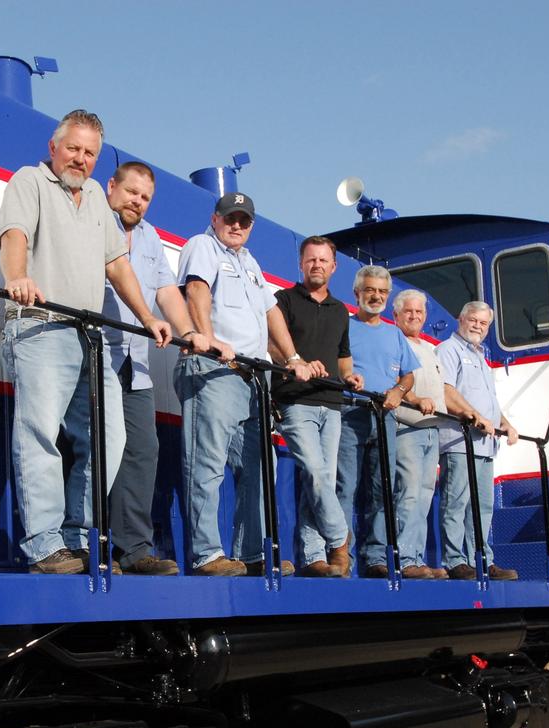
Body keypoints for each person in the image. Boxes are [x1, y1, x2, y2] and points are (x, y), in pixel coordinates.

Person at [0, 110, 172, 574]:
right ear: (54, 147)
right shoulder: (29, 181)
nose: (80, 158)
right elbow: (13, 235)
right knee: (39, 433)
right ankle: (43, 544)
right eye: (73, 148)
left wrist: (148, 316)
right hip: (40, 324)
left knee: (108, 439)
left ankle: (79, 538)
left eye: (90, 152)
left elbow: (117, 265)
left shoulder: (95, 196)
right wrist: (17, 278)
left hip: (89, 337)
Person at [175, 192, 316, 576]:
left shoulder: (250, 262)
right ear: (215, 217)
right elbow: (196, 291)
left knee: (261, 464)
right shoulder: (202, 246)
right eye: (230, 218)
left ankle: (252, 553)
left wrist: (294, 358)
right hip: (214, 370)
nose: (237, 225)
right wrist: (208, 340)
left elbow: (271, 313)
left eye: (244, 220)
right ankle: (206, 554)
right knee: (206, 463)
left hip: (252, 380)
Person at [101, 161, 222, 575]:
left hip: (135, 362)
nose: (137, 201)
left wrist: (191, 333)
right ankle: (84, 546)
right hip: (95, 352)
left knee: (143, 450)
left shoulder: (150, 238)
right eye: (131, 191)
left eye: (145, 197)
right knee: (93, 448)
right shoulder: (93, 219)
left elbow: (168, 292)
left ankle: (133, 550)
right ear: (111, 186)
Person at [271, 237, 361, 577]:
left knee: (319, 481)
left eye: (324, 260)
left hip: (332, 403)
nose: (317, 265)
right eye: (311, 260)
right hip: (295, 399)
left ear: (334, 266)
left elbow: (343, 356)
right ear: (301, 263)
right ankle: (340, 543)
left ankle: (313, 557)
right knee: (316, 472)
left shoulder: (341, 311)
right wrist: (299, 362)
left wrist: (351, 377)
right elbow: (273, 345)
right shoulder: (284, 300)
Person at [335, 265, 430, 579]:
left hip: (385, 418)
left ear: (388, 298)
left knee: (381, 491)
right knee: (344, 488)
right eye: (369, 290)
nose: (375, 296)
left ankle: (376, 557)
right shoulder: (344, 327)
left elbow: (409, 374)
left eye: (381, 292)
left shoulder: (394, 333)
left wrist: (399, 391)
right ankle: (342, 558)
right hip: (351, 415)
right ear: (357, 293)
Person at [436, 301, 520, 581]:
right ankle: (454, 561)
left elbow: (490, 403)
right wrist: (474, 416)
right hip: (459, 443)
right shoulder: (448, 350)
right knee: (455, 503)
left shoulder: (481, 358)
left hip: (485, 445)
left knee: (483, 507)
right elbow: (445, 391)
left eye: (484, 324)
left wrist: (504, 424)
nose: (477, 326)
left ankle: (482, 560)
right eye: (473, 320)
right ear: (460, 319)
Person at [389, 289, 452, 580]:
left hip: (432, 431)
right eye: (409, 312)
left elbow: (442, 391)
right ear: (397, 315)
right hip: (408, 428)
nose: (415, 317)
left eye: (419, 312)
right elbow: (394, 381)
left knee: (425, 496)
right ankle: (405, 559)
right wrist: (414, 399)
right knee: (410, 494)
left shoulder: (429, 349)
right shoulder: (393, 341)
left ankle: (416, 557)